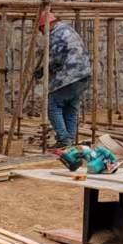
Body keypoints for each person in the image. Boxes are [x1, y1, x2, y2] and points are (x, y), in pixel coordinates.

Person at [36, 9, 92, 149]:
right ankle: (70, 140)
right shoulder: (68, 29)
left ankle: (63, 139)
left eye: (41, 30)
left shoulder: (56, 34)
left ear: (45, 25)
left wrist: (44, 69)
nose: (42, 34)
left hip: (70, 76)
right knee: (70, 107)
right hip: (83, 75)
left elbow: (58, 59)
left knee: (53, 104)